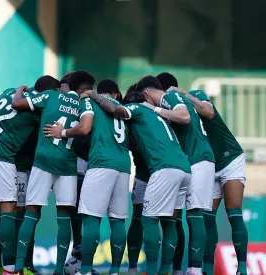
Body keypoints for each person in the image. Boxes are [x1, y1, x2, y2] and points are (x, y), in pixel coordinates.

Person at [85, 76, 192, 275]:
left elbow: (115, 110)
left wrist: (93, 95)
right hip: (184, 168)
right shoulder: (160, 116)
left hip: (164, 168)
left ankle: (150, 271)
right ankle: (165, 271)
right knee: (171, 221)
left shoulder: (137, 109)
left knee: (148, 219)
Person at [0, 75, 60, 275]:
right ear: (50, 92)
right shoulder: (40, 107)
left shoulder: (10, 90)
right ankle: (9, 269)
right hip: (1, 156)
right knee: (9, 209)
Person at [11, 71, 95, 275]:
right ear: (85, 89)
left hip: (43, 160)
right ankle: (59, 269)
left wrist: (20, 89)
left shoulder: (51, 95)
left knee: (31, 213)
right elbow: (86, 129)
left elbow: (19, 104)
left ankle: (19, 268)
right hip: (67, 164)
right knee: (64, 217)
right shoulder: (87, 105)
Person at [44, 79, 131, 275]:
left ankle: (84, 270)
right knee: (118, 221)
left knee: (90, 218)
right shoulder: (121, 107)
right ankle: (115, 270)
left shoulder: (89, 100)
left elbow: (84, 128)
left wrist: (62, 132)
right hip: (124, 165)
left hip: (101, 162)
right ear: (115, 94)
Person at [156, 73, 216, 275]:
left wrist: (156, 108)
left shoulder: (170, 97)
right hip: (197, 160)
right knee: (183, 215)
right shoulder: (183, 99)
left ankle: (194, 269)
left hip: (196, 159)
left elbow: (185, 117)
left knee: (194, 215)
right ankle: (180, 269)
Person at [185, 89, 248, 275]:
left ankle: (242, 268)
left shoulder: (194, 95)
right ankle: (207, 269)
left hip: (231, 159)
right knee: (207, 217)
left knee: (234, 212)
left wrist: (185, 95)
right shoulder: (172, 114)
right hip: (209, 164)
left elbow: (209, 112)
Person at [123, 87, 151, 275]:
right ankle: (136, 268)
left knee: (143, 219)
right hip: (145, 175)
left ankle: (144, 268)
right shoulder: (133, 124)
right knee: (140, 219)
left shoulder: (149, 118)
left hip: (157, 175)